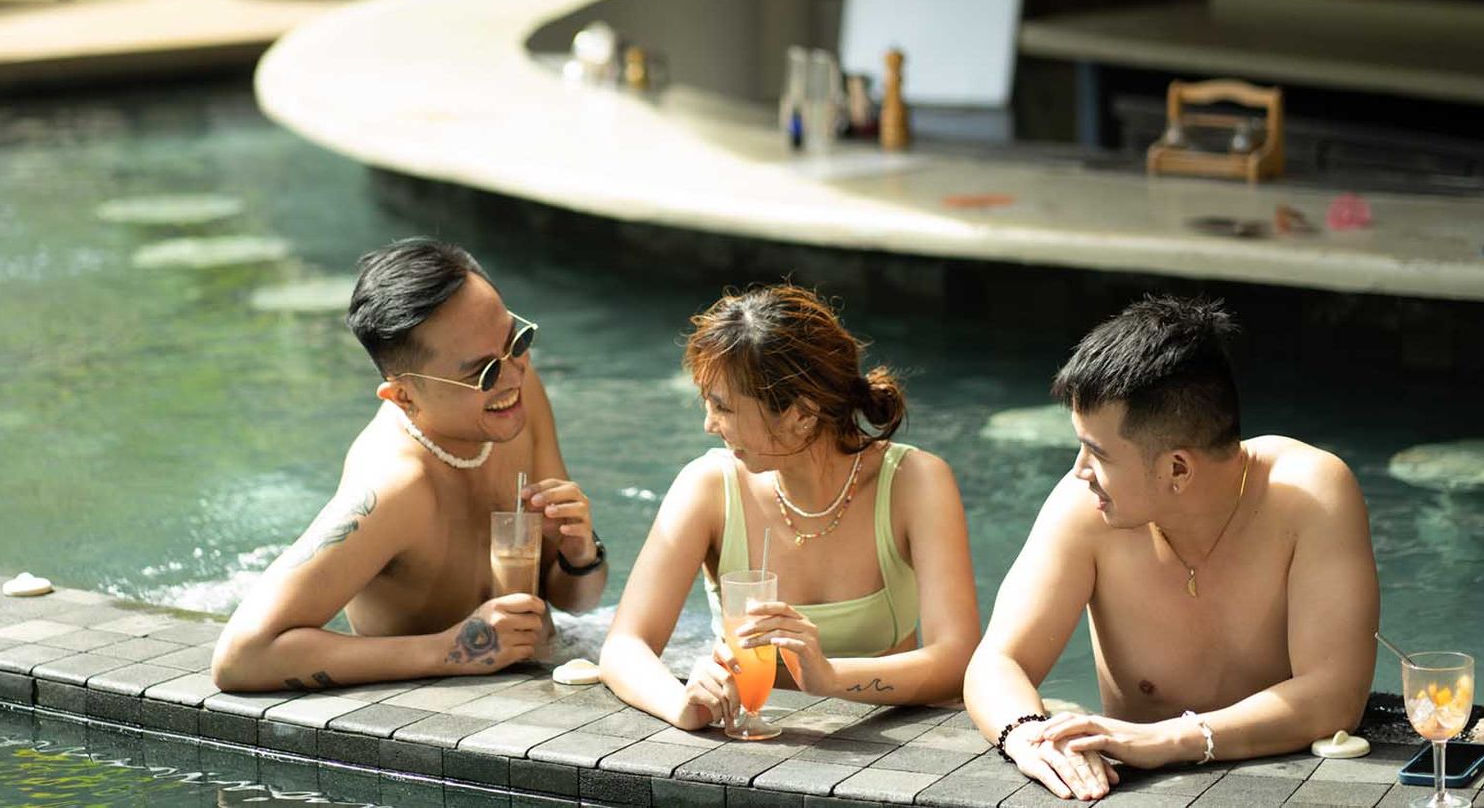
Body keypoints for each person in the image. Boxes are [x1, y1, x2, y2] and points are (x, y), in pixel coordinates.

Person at [964, 296, 1378, 801]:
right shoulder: (1084, 509)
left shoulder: (1310, 495)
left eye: (1097, 453)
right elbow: (997, 661)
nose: (1079, 471)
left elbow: (1335, 698)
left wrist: (1169, 738)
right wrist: (1029, 736)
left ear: (1177, 469)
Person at [211, 238, 607, 691]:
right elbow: (241, 657)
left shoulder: (516, 395)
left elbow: (576, 600)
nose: (514, 372)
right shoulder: (395, 487)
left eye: (516, 340)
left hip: (549, 668)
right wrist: (450, 650)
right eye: (482, 373)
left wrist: (581, 555)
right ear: (404, 396)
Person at [599, 285, 980, 730]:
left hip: (895, 736)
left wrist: (831, 677)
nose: (708, 425)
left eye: (722, 407)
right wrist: (680, 702)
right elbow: (624, 646)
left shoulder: (914, 482)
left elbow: (957, 659)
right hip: (754, 739)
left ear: (801, 414)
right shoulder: (709, 487)